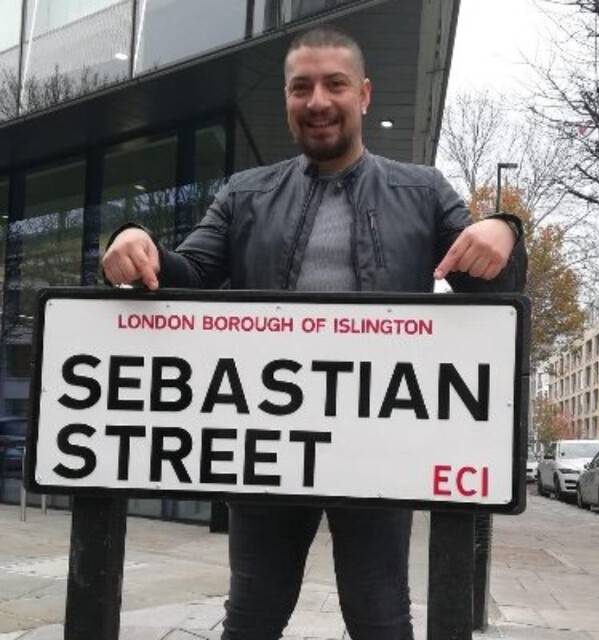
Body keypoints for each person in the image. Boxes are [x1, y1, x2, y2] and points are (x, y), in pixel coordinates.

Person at [103, 25, 526, 640]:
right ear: (286, 98)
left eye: (335, 84)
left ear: (365, 94)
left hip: (383, 442)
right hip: (267, 442)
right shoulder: (244, 194)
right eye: (301, 87)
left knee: (380, 616)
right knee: (252, 615)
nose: (318, 101)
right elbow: (188, 274)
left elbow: (490, 289)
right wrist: (133, 240)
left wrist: (503, 230)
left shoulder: (423, 190)